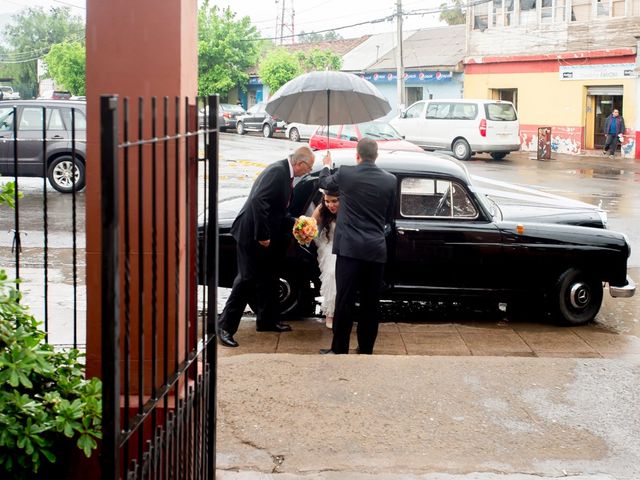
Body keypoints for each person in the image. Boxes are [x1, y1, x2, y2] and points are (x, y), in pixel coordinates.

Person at [217, 146, 316, 348]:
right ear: (300, 163)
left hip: (267, 235)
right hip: (251, 234)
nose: (308, 171)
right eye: (309, 167)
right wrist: (262, 235)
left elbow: (278, 209)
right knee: (246, 279)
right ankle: (225, 326)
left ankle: (267, 321)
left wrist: (296, 222)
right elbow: (258, 201)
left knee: (269, 276)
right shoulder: (277, 172)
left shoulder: (286, 175)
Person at [317, 138, 396, 355]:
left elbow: (324, 183)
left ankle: (339, 349)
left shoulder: (346, 174)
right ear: (376, 155)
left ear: (357, 156)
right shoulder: (390, 180)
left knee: (345, 300)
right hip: (375, 249)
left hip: (349, 249)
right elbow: (389, 214)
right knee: (371, 303)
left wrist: (326, 164)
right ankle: (366, 348)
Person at [311, 189, 340, 329]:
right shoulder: (323, 208)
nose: (330, 205)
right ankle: (330, 313)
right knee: (332, 273)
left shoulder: (350, 209)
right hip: (329, 244)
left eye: (334, 201)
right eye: (327, 201)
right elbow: (310, 223)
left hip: (347, 246)